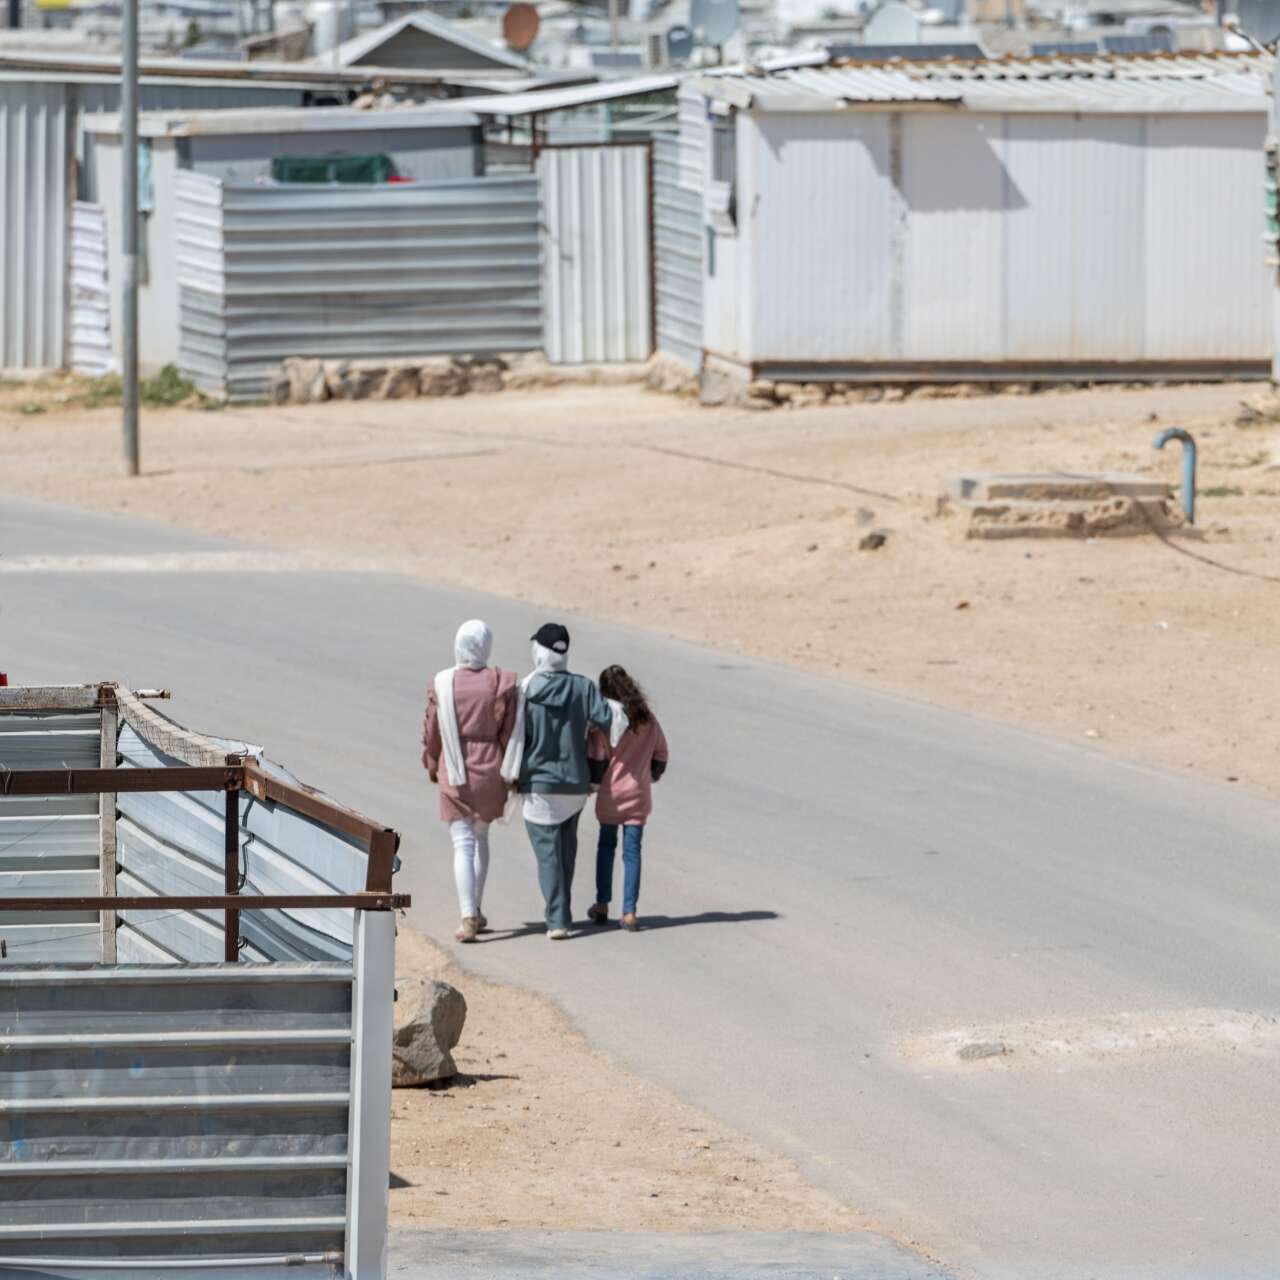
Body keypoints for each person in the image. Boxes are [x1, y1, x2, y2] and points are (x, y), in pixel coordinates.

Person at [501, 623, 616, 940]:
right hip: (576, 784)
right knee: (566, 850)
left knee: (548, 855)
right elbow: (606, 719)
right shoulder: (584, 687)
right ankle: (561, 910)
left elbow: (512, 734)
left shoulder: (525, 689)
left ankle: (558, 919)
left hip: (539, 785)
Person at [422, 620, 518, 944]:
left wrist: (432, 761)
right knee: (481, 837)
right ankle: (475, 907)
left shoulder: (443, 682)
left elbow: (433, 729)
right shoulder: (499, 681)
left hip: (455, 764)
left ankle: (467, 916)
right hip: (491, 766)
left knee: (462, 843)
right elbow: (509, 729)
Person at [587, 666, 668, 932]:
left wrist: (593, 784)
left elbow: (597, 759)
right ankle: (630, 911)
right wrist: (648, 776)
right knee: (632, 853)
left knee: (606, 848)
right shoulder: (649, 719)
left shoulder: (605, 721)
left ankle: (601, 904)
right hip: (638, 794)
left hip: (612, 793)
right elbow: (661, 755)